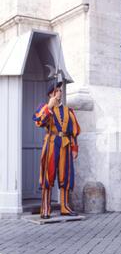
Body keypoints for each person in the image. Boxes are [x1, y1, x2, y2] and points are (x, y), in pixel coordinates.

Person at [32, 78, 81, 219]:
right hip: (51, 143)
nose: (59, 93)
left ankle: (65, 207)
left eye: (60, 90)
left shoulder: (68, 110)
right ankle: (45, 209)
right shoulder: (44, 108)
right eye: (56, 91)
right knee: (48, 175)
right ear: (50, 94)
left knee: (65, 175)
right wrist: (49, 107)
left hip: (65, 144)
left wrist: (74, 148)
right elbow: (39, 122)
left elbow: (74, 131)